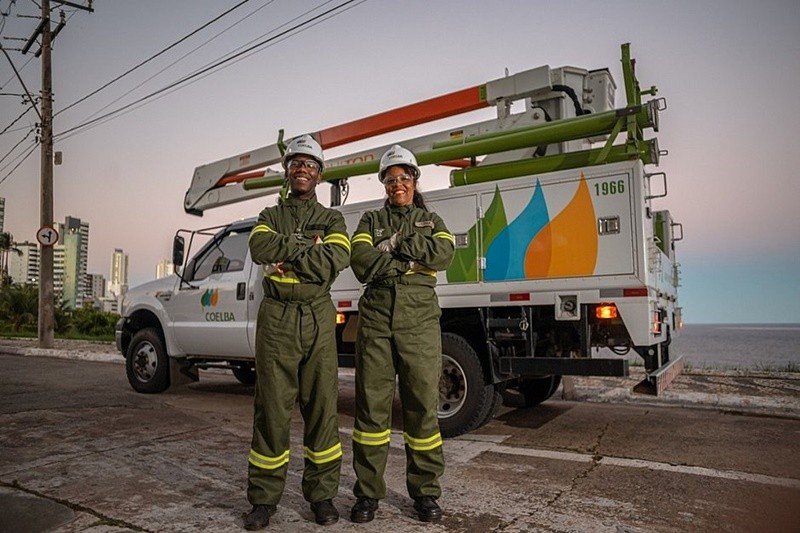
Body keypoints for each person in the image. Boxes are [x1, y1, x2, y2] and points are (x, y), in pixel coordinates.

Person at [244, 134, 351, 529]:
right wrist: (308, 245)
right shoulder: (268, 216)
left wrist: (287, 252)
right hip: (277, 317)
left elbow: (336, 257)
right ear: (287, 172)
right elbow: (260, 249)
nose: (302, 169)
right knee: (271, 410)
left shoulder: (334, 219)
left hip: (318, 316)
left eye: (309, 164)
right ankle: (263, 500)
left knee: (322, 409)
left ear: (319, 174)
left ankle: (322, 497)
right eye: (295, 163)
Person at [349, 144, 455, 523]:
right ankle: (367, 494)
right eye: (391, 179)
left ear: (414, 180)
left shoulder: (432, 220)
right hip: (376, 322)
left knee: (422, 409)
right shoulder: (369, 221)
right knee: (371, 410)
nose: (398, 185)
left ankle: (425, 493)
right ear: (384, 183)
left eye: (404, 178)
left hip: (420, 324)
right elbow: (361, 262)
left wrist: (396, 249)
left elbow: (444, 254)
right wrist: (409, 261)